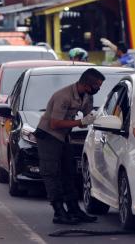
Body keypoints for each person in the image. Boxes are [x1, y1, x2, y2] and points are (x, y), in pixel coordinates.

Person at [35, 68, 105, 225]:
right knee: (52, 173)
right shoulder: (63, 96)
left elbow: (87, 118)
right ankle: (59, 212)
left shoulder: (87, 95)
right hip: (48, 136)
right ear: (87, 84)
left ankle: (74, 209)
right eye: (97, 85)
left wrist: (94, 117)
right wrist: (81, 122)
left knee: (69, 172)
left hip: (64, 136)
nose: (98, 89)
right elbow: (54, 124)